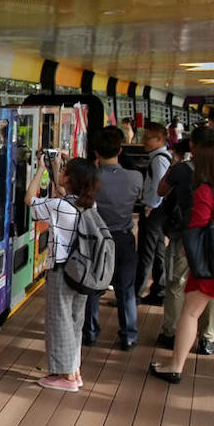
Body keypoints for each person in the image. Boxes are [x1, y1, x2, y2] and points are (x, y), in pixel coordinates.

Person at [150, 140, 214, 383]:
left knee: (190, 313)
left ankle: (174, 366)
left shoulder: (206, 191)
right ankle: (205, 342)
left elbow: (196, 226)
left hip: (210, 263)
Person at [26, 155, 101, 392]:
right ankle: (74, 370)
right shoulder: (89, 204)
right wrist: (55, 166)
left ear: (70, 179)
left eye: (64, 171)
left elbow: (30, 200)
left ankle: (66, 377)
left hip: (62, 271)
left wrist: (38, 171)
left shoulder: (59, 206)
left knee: (59, 323)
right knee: (74, 321)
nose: (61, 173)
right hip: (82, 272)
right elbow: (61, 192)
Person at [83, 127, 141, 350]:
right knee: (125, 289)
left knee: (93, 287)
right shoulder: (135, 177)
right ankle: (128, 336)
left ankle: (90, 332)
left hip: (96, 239)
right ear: (120, 149)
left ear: (96, 152)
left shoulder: (91, 178)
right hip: (124, 239)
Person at [135, 122, 172, 305]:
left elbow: (159, 186)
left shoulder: (158, 159)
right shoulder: (162, 156)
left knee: (146, 253)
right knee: (157, 251)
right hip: (159, 212)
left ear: (159, 139)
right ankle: (159, 291)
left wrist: (150, 206)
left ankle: (136, 293)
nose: (143, 141)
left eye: (147, 138)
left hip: (153, 211)